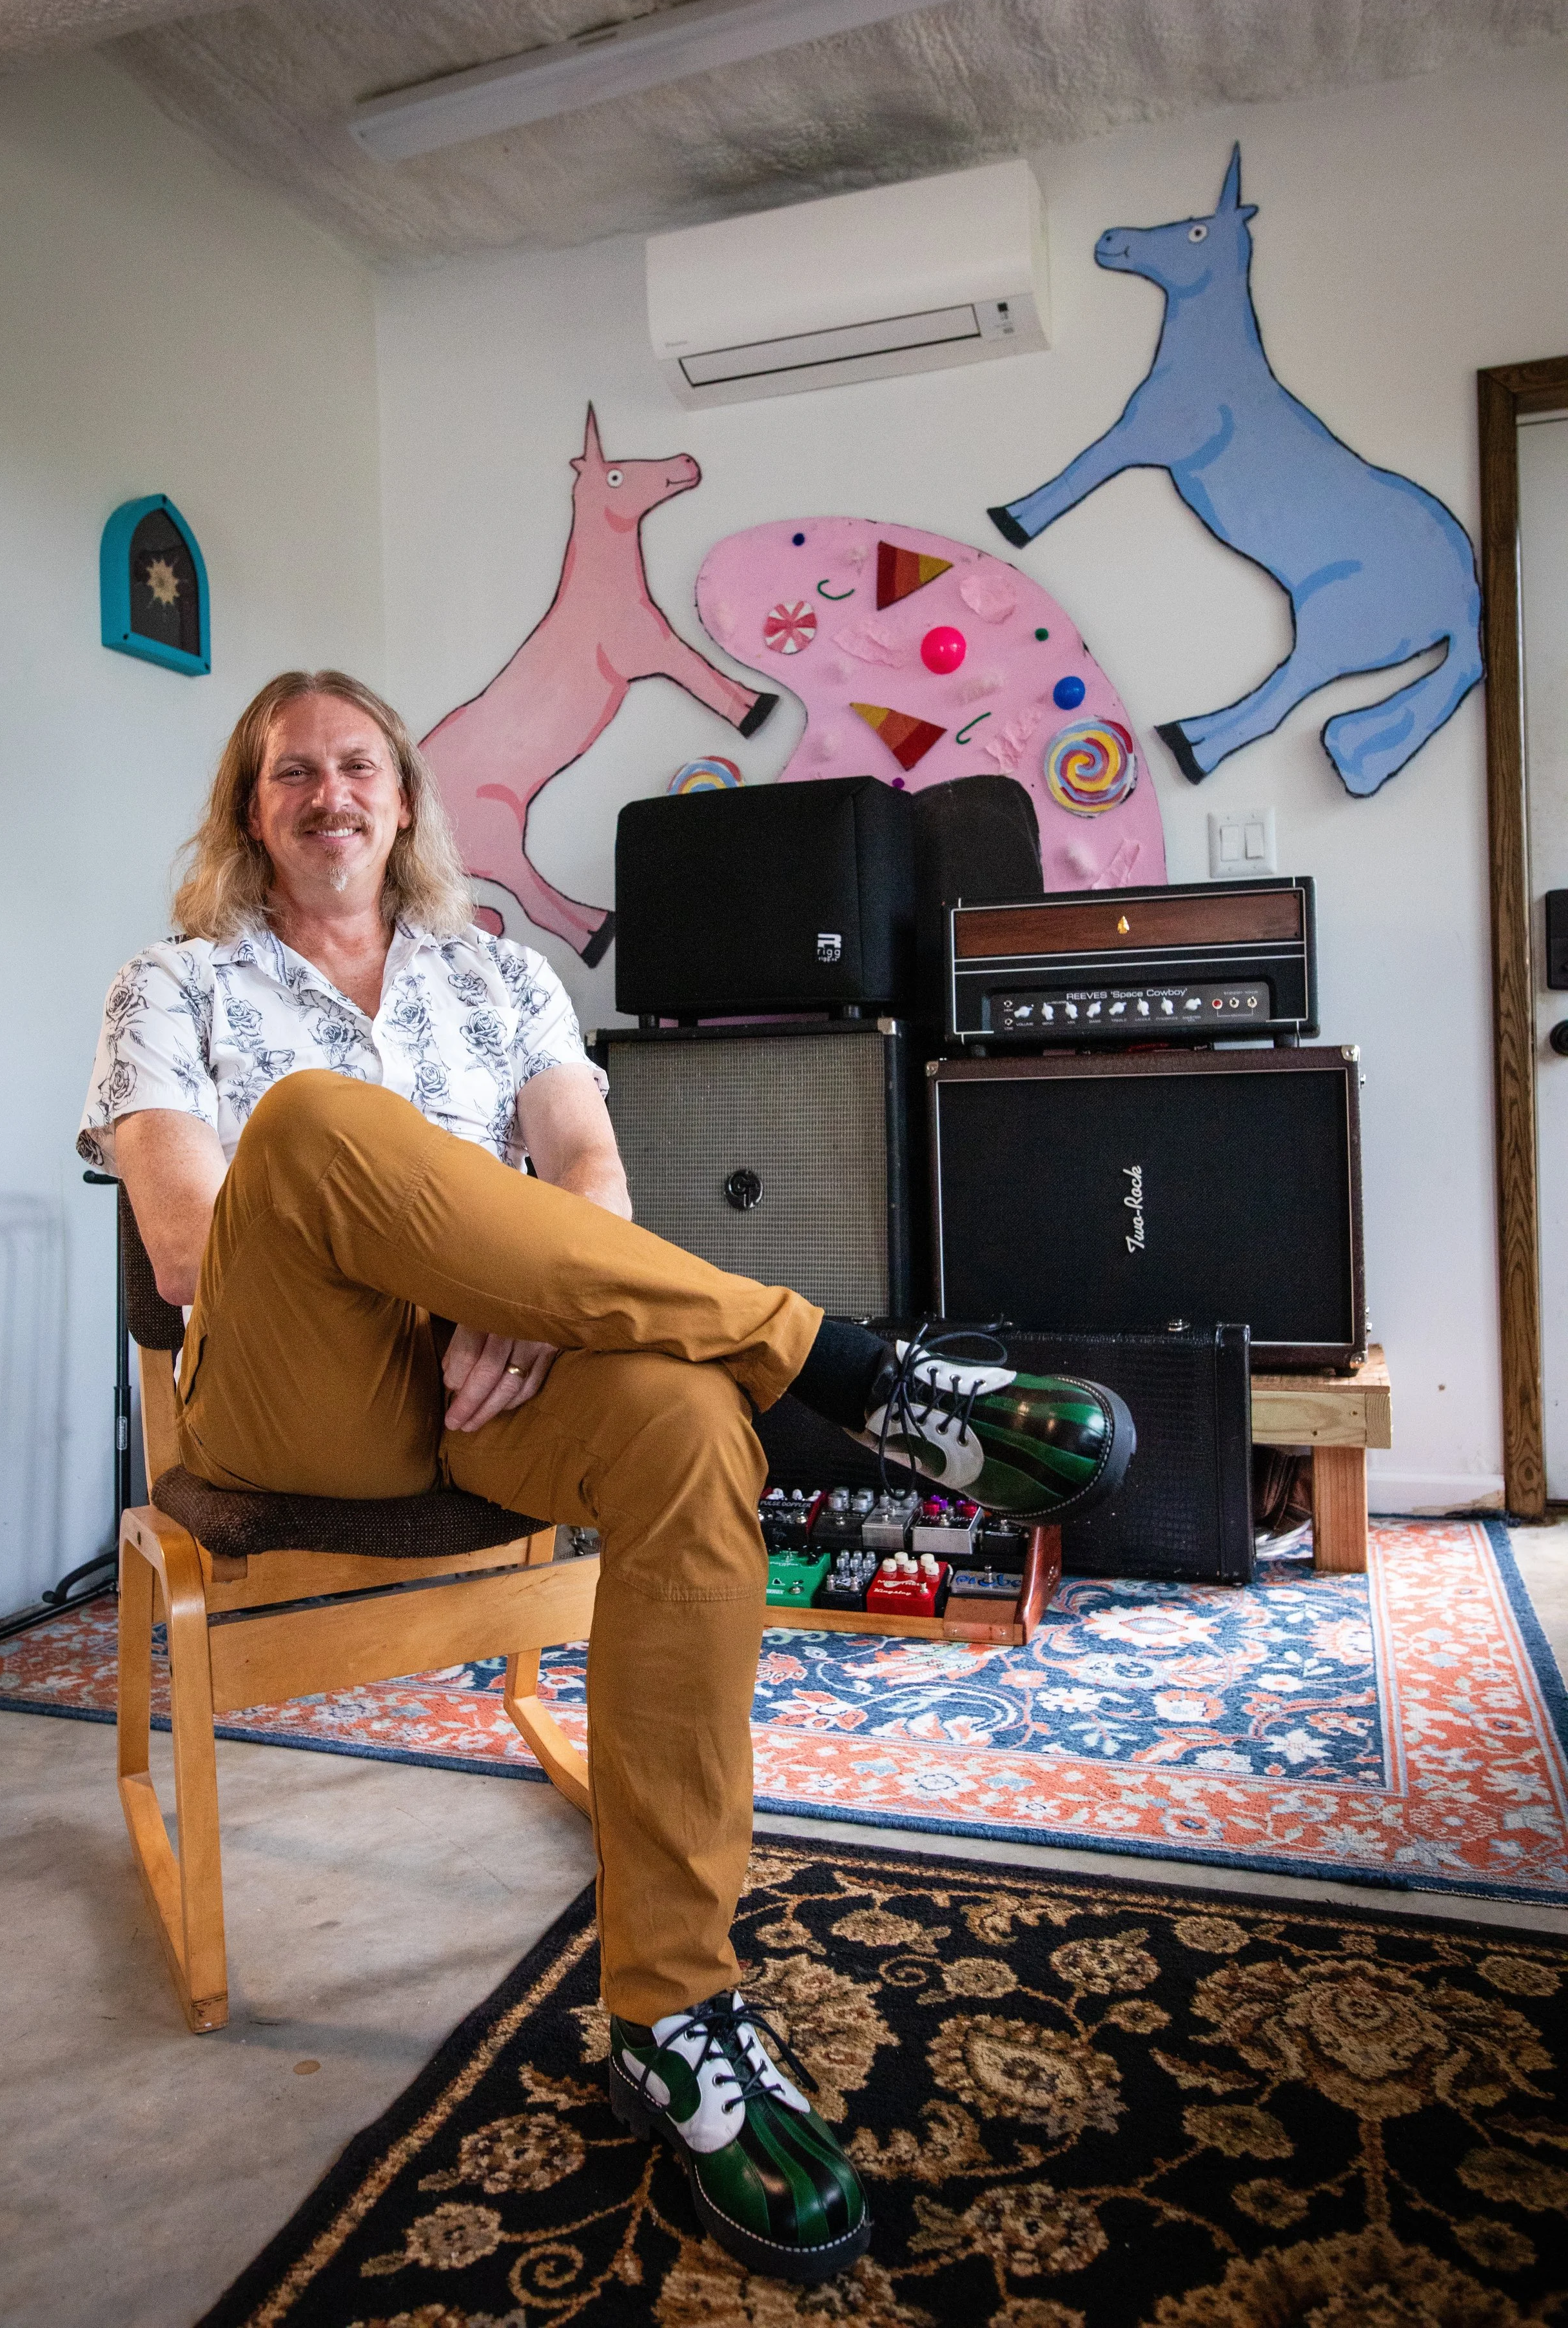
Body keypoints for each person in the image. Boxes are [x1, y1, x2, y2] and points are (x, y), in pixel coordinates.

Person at [81, 670, 1133, 2285]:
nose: (328, 794)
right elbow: (185, 1237)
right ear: (249, 810)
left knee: (688, 1431)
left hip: (503, 1380)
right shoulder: (177, 984)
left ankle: (673, 2012)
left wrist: (526, 1305)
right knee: (308, 1124)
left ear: (405, 800)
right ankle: (843, 1363)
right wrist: (479, 1289)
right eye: (289, 773)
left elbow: (586, 1173)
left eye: (357, 765)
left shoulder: (498, 975)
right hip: (292, 1395)